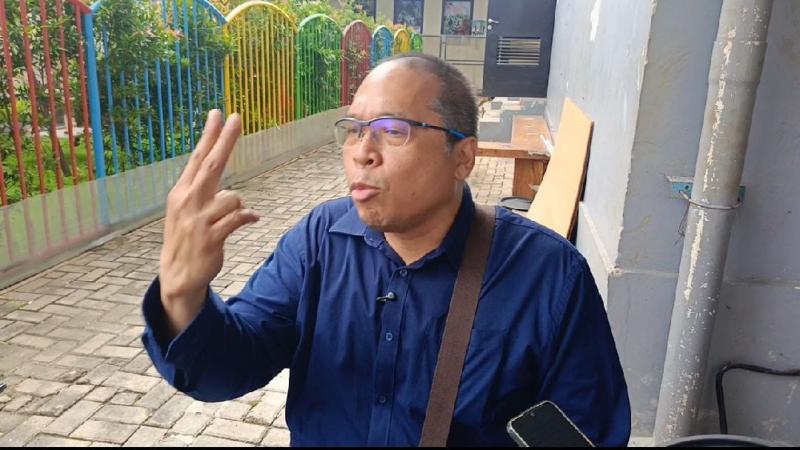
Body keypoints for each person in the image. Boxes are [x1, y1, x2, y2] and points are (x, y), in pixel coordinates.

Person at [142, 53, 631, 446]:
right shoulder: (319, 241)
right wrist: (182, 295)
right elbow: (229, 369)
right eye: (355, 129)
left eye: (393, 130)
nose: (362, 151)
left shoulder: (549, 275)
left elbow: (588, 430)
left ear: (462, 157)